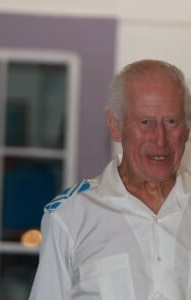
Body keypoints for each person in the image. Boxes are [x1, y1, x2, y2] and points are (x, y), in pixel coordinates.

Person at [29, 59, 191, 299]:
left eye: (171, 121)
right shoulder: (69, 216)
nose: (160, 139)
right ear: (115, 126)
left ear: (187, 129)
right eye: (145, 122)